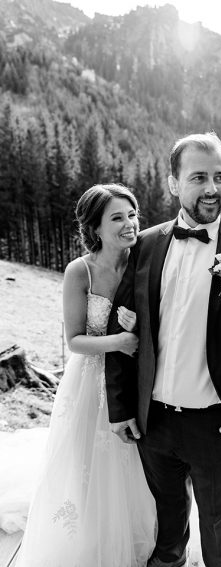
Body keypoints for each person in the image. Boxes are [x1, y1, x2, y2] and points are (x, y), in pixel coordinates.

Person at [105, 133, 221, 567]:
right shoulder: (145, 244)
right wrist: (121, 407)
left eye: (220, 177)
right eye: (199, 177)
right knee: (167, 529)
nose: (211, 188)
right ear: (173, 183)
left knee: (219, 535)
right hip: (156, 424)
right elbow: (122, 329)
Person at [13, 184, 156, 566]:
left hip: (133, 383)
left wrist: (139, 327)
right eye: (117, 218)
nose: (130, 224)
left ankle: (129, 539)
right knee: (88, 467)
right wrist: (119, 340)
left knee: (132, 467)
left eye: (133, 214)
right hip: (89, 385)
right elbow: (74, 341)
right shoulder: (81, 271)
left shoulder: (143, 262)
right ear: (95, 228)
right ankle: (91, 544)